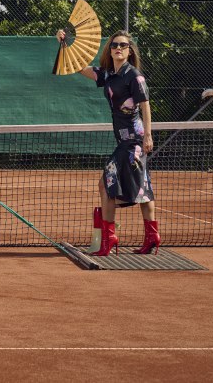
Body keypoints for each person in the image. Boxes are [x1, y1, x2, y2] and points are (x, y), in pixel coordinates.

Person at [56, 29, 159, 256]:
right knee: (142, 187)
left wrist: (148, 135)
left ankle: (110, 238)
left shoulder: (134, 76)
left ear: (129, 50)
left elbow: (145, 105)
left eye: (123, 45)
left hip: (134, 140)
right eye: (114, 45)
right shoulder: (108, 75)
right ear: (109, 50)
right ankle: (151, 237)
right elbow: (77, 67)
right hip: (124, 140)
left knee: (107, 185)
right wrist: (65, 44)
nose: (118, 48)